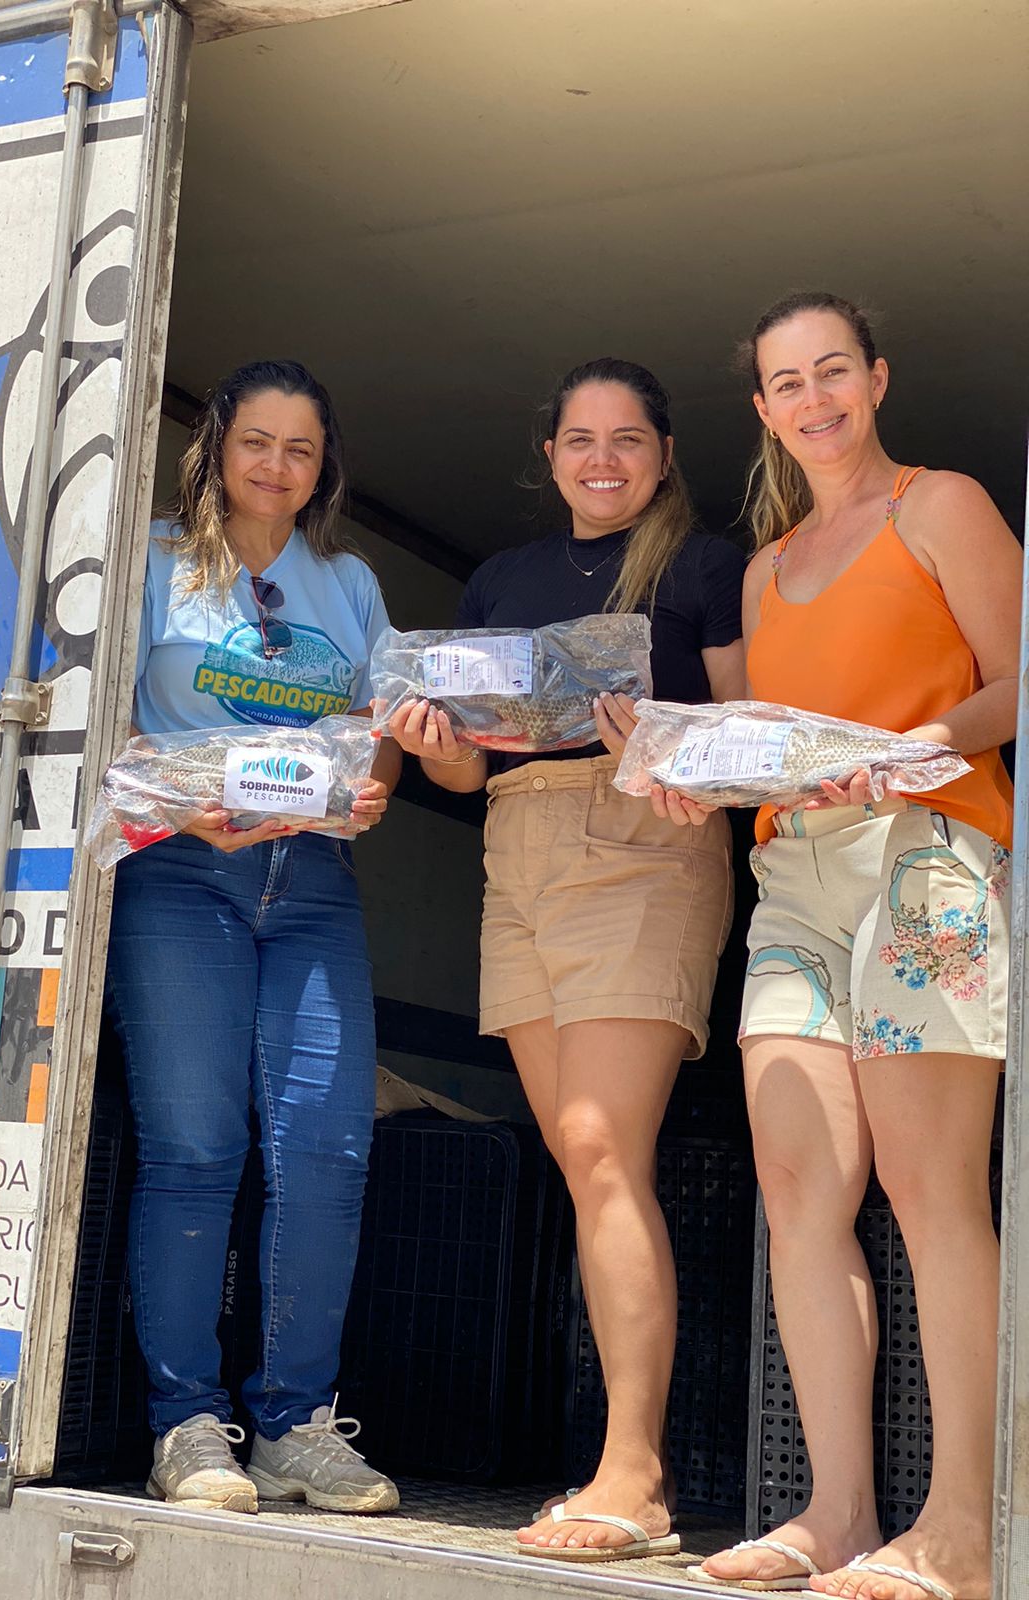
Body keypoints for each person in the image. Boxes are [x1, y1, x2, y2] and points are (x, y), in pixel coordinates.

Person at [387, 358, 746, 1562]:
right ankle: (619, 1467)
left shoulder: (703, 565)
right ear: (549, 455)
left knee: (600, 1149)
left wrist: (671, 744)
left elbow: (744, 729)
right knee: (581, 1158)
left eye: (628, 439)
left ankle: (635, 1476)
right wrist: (430, 741)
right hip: (517, 845)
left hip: (642, 837)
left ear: (664, 453)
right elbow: (463, 769)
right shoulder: (501, 577)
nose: (604, 460)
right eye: (581, 439)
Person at [693, 293, 1019, 1600]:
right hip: (795, 875)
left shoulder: (940, 507)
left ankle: (965, 1530)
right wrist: (684, 774)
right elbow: (766, 748)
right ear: (764, 411)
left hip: (926, 850)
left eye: (834, 371)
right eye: (788, 382)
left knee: (931, 1187)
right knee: (798, 1182)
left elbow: (1019, 675)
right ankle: (835, 1514)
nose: (814, 398)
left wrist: (912, 748)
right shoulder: (765, 569)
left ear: (876, 379)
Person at [103, 360, 401, 1516]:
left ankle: (294, 1424)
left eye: (301, 449)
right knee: (194, 1146)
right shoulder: (152, 560)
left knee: (326, 1150)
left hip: (313, 879)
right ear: (219, 446)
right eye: (257, 442)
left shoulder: (348, 581)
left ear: (325, 468)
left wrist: (372, 784)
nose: (277, 466)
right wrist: (185, 806)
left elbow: (378, 722)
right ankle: (185, 1423)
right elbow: (106, 721)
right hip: (181, 870)